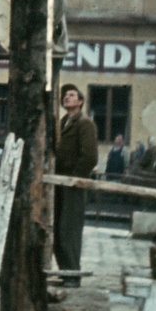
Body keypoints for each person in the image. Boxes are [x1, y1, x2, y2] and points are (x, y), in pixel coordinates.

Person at [53, 83, 99, 275]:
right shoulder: (62, 122)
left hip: (73, 185)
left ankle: (72, 273)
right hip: (59, 184)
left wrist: (74, 180)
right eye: (65, 95)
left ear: (80, 101)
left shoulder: (85, 123)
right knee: (57, 229)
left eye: (71, 95)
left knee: (69, 230)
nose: (66, 98)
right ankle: (66, 272)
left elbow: (89, 157)